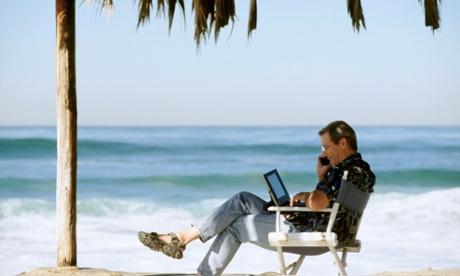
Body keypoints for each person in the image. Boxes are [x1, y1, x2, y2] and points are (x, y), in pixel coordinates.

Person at [138, 120, 376, 276]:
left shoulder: (346, 172)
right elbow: (332, 205)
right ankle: (181, 237)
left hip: (314, 234)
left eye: (326, 147)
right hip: (327, 228)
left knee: (237, 226)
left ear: (343, 143)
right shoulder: (363, 171)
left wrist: (307, 193)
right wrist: (322, 178)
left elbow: (318, 203)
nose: (323, 153)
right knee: (243, 199)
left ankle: (203, 273)